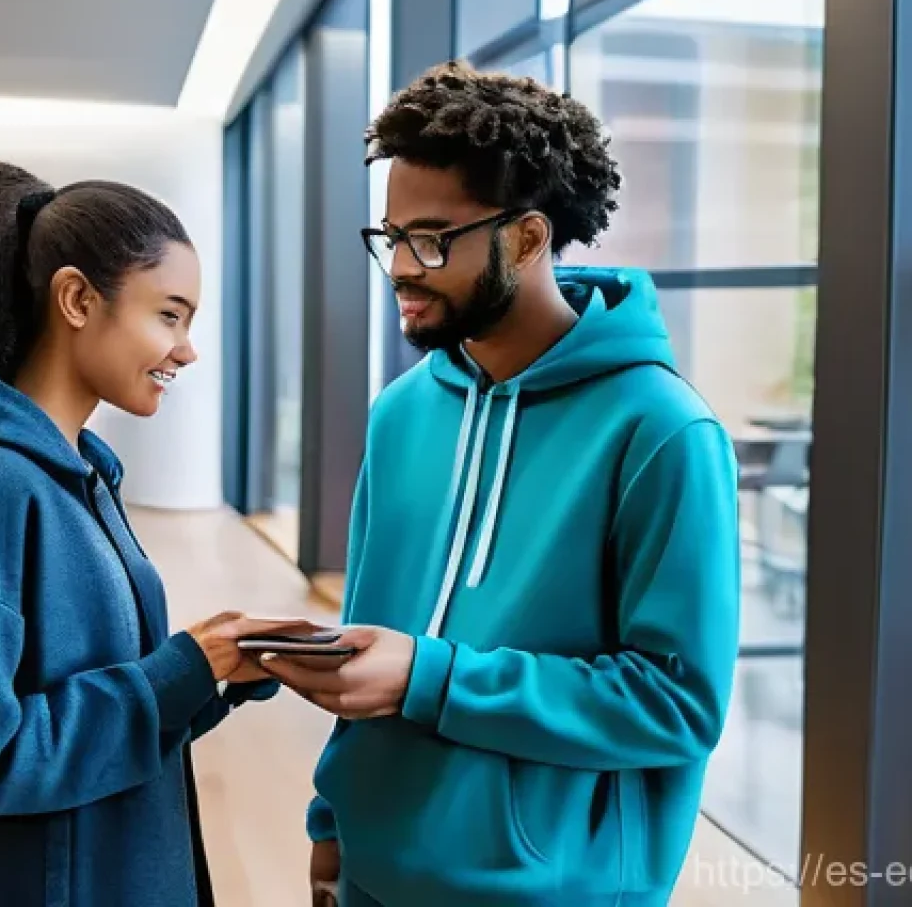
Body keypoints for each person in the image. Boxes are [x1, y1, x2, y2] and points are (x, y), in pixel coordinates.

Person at [260, 62, 741, 906]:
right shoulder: (403, 412)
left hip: (549, 890)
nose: (402, 268)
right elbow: (375, 632)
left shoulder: (662, 431)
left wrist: (431, 677)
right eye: (390, 237)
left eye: (432, 239)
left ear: (526, 238)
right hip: (375, 869)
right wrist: (332, 826)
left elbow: (676, 704)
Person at [0, 163, 299, 907]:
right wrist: (177, 672)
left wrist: (210, 676)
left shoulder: (76, 474)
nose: (187, 349)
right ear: (78, 299)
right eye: (169, 315)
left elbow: (82, 697)